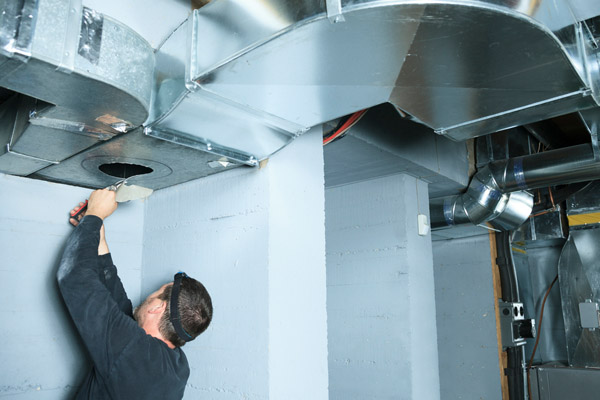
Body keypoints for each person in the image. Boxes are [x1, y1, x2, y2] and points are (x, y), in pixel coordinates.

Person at [57, 189, 213, 399]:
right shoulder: (177, 366)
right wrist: (96, 235)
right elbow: (119, 315)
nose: (149, 296)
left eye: (156, 293)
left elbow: (75, 277)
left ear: (159, 307)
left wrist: (95, 214)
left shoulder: (134, 351)